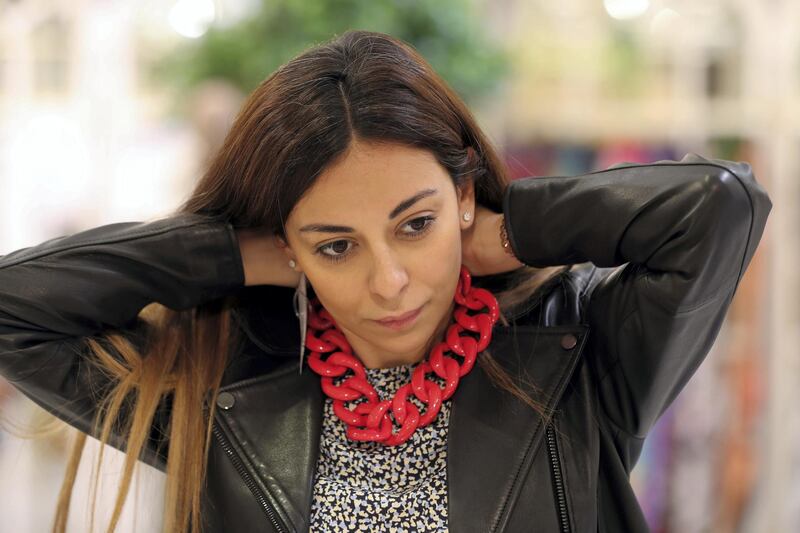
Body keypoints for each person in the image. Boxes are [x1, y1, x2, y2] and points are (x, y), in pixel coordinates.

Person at [0, 29, 771, 533]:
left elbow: (720, 209)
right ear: (290, 247)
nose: (391, 281)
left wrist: (509, 232)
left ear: (461, 196)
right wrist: (235, 256)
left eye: (415, 223)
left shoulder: (573, 354)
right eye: (338, 247)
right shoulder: (229, 385)